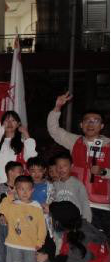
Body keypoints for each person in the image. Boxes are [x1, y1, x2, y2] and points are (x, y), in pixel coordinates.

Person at [47, 92, 109, 235]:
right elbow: (54, 130)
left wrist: (104, 172)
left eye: (95, 121)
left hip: (102, 206)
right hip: (75, 201)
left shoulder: (109, 145)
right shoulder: (75, 141)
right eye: (87, 121)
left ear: (102, 126)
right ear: (81, 125)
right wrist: (57, 108)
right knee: (76, 242)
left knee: (102, 243)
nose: (90, 124)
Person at [0, 175, 47, 262]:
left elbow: (42, 226)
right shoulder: (12, 205)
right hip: (14, 244)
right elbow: (1, 208)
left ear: (32, 190)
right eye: (21, 189)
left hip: (31, 245)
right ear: (16, 190)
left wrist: (40, 241)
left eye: (28, 189)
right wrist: (10, 196)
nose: (25, 192)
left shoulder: (36, 207)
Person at [0, 111, 37, 186]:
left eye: (13, 120)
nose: (9, 123)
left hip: (15, 187)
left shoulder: (24, 143)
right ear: (2, 124)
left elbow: (32, 159)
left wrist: (25, 133)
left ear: (18, 124)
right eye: (7, 120)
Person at [0, 160, 24, 262]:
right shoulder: (0, 187)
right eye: (20, 171)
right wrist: (1, 215)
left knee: (14, 249)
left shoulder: (21, 188)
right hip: (2, 223)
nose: (22, 173)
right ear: (10, 172)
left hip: (16, 224)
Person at [52, 152, 92, 223]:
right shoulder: (54, 185)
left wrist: (86, 222)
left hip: (75, 222)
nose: (61, 168)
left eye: (64, 166)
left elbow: (85, 203)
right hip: (59, 222)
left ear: (71, 166)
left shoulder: (78, 184)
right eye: (58, 166)